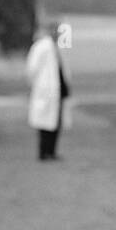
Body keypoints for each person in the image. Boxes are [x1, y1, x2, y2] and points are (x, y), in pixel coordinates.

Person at [25, 23, 70, 160]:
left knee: (54, 123)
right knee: (45, 123)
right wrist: (37, 86)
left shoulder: (54, 47)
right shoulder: (42, 47)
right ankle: (44, 152)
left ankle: (51, 151)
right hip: (45, 90)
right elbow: (32, 69)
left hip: (55, 91)